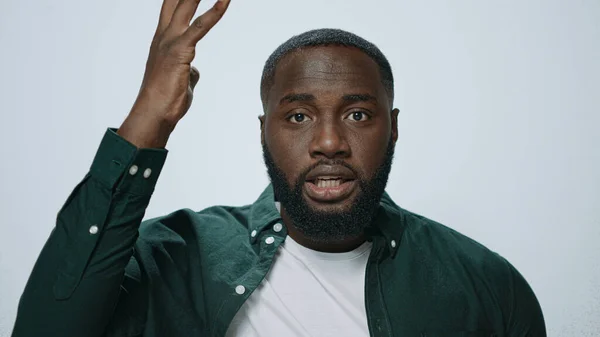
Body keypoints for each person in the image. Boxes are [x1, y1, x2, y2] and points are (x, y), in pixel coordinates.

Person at [12, 0, 546, 336]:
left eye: (357, 114)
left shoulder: (488, 290)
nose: (330, 141)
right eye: (298, 116)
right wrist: (146, 124)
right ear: (263, 130)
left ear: (394, 127)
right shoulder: (170, 258)